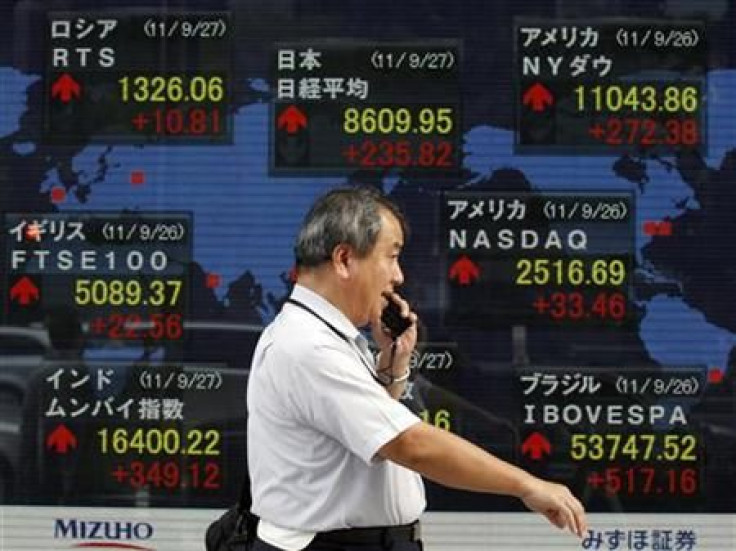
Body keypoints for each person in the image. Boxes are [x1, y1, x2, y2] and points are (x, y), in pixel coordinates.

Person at [247, 186, 587, 551]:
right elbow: (408, 444)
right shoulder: (308, 346)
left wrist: (394, 363)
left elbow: (366, 430)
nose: (398, 276)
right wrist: (527, 485)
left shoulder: (326, 336)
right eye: (391, 257)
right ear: (344, 259)